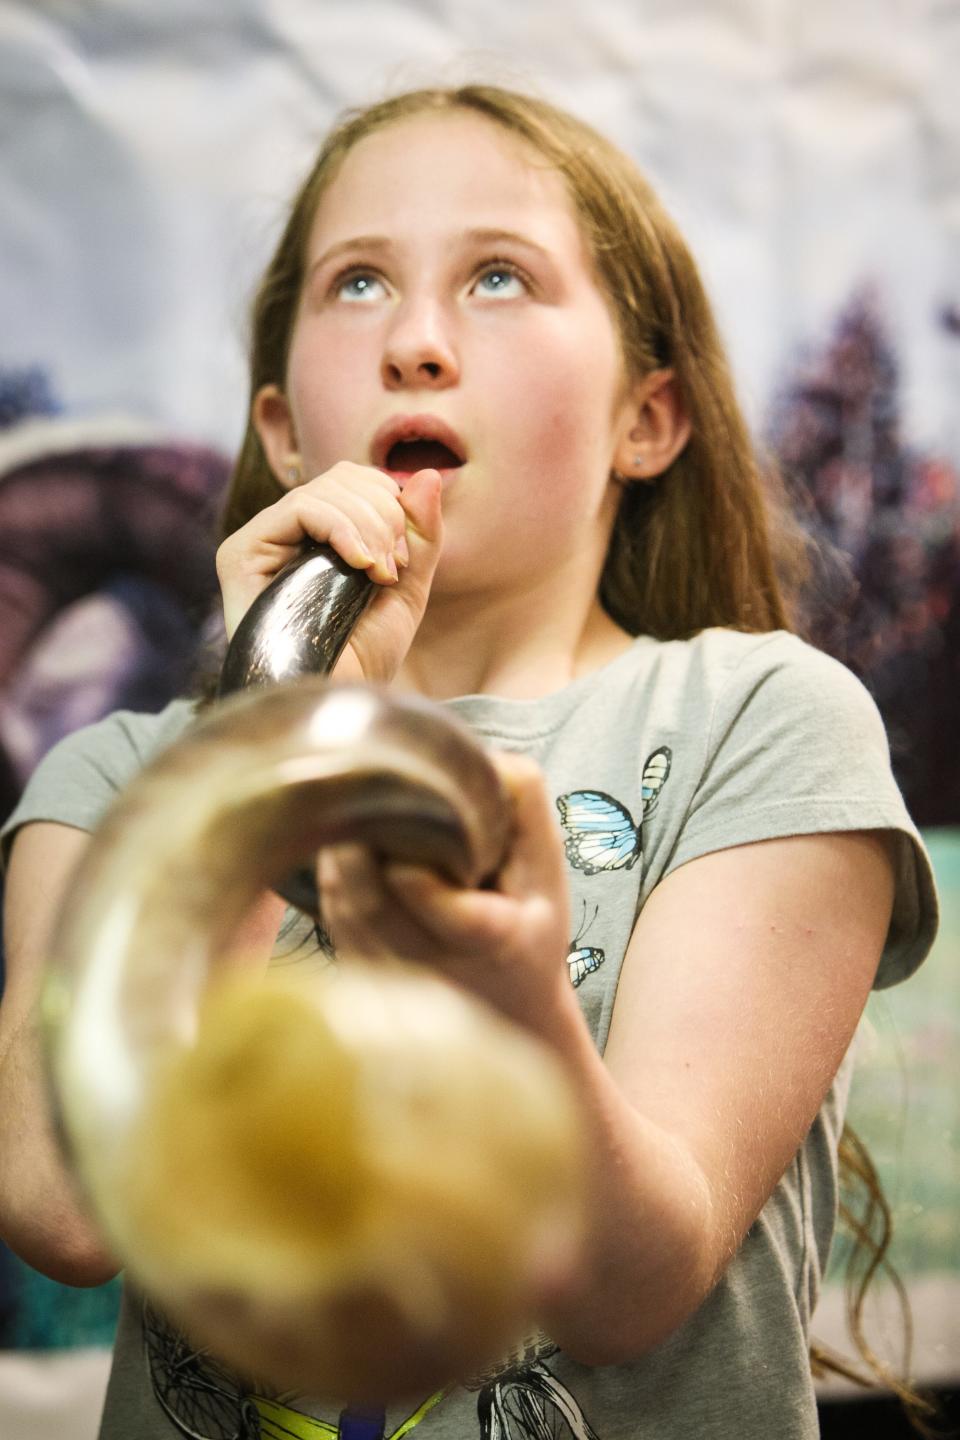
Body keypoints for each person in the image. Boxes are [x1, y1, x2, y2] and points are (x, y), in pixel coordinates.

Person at [0, 83, 938, 1440]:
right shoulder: (118, 780)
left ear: (647, 420)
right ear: (281, 431)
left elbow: (636, 1288)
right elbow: (63, 1205)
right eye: (360, 282)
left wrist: (513, 1001)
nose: (419, 342)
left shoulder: (762, 718)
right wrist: (265, 738)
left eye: (499, 278)